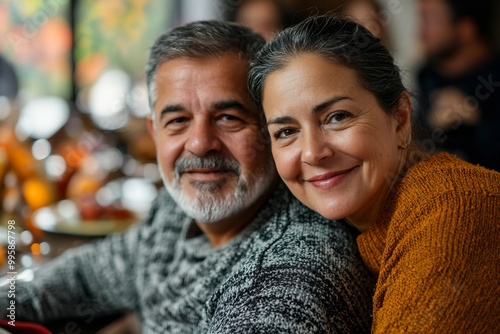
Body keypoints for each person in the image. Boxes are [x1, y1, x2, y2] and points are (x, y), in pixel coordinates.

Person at [0, 21, 374, 333]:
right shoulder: (172, 213)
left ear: (270, 127)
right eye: (177, 121)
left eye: (228, 117)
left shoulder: (295, 268)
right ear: (154, 132)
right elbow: (80, 279)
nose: (200, 144)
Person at [249, 15, 500, 333]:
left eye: (337, 117)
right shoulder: (369, 225)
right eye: (286, 131)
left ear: (400, 119)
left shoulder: (456, 208)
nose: (313, 152)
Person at [416, 0, 500, 171]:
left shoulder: (495, 77)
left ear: (466, 29)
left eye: (431, 19)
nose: (421, 33)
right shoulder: (425, 76)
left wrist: (476, 121)